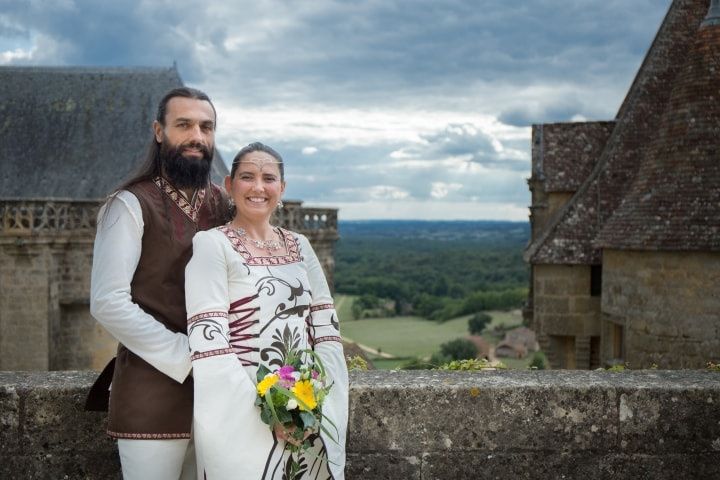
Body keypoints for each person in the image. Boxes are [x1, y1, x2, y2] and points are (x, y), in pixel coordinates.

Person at [185, 142, 348, 479]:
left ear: (281, 189)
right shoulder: (212, 245)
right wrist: (271, 413)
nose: (258, 187)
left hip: (307, 415)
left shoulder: (301, 245)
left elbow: (327, 332)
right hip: (240, 415)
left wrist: (316, 405)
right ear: (230, 186)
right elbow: (210, 344)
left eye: (268, 178)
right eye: (247, 177)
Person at [88, 87, 228, 480]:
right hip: (151, 397)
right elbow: (108, 302)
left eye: (206, 127)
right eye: (183, 125)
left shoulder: (223, 205)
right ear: (159, 131)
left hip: (219, 397)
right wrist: (189, 355)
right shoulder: (129, 205)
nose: (197, 137)